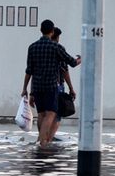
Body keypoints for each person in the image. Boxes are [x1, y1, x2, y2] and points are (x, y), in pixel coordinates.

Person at [22, 19, 81, 150]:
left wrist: (25, 89)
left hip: (37, 87)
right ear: (52, 31)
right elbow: (71, 63)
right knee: (51, 113)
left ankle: (41, 140)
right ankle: (42, 142)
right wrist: (81, 58)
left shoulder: (32, 47)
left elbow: (29, 70)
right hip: (50, 86)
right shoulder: (56, 47)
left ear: (40, 30)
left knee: (41, 114)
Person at [52, 26, 76, 128]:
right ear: (57, 37)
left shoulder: (37, 47)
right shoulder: (58, 48)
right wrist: (71, 88)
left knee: (44, 114)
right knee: (57, 114)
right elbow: (66, 69)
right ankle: (47, 138)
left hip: (41, 85)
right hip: (57, 85)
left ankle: (43, 136)